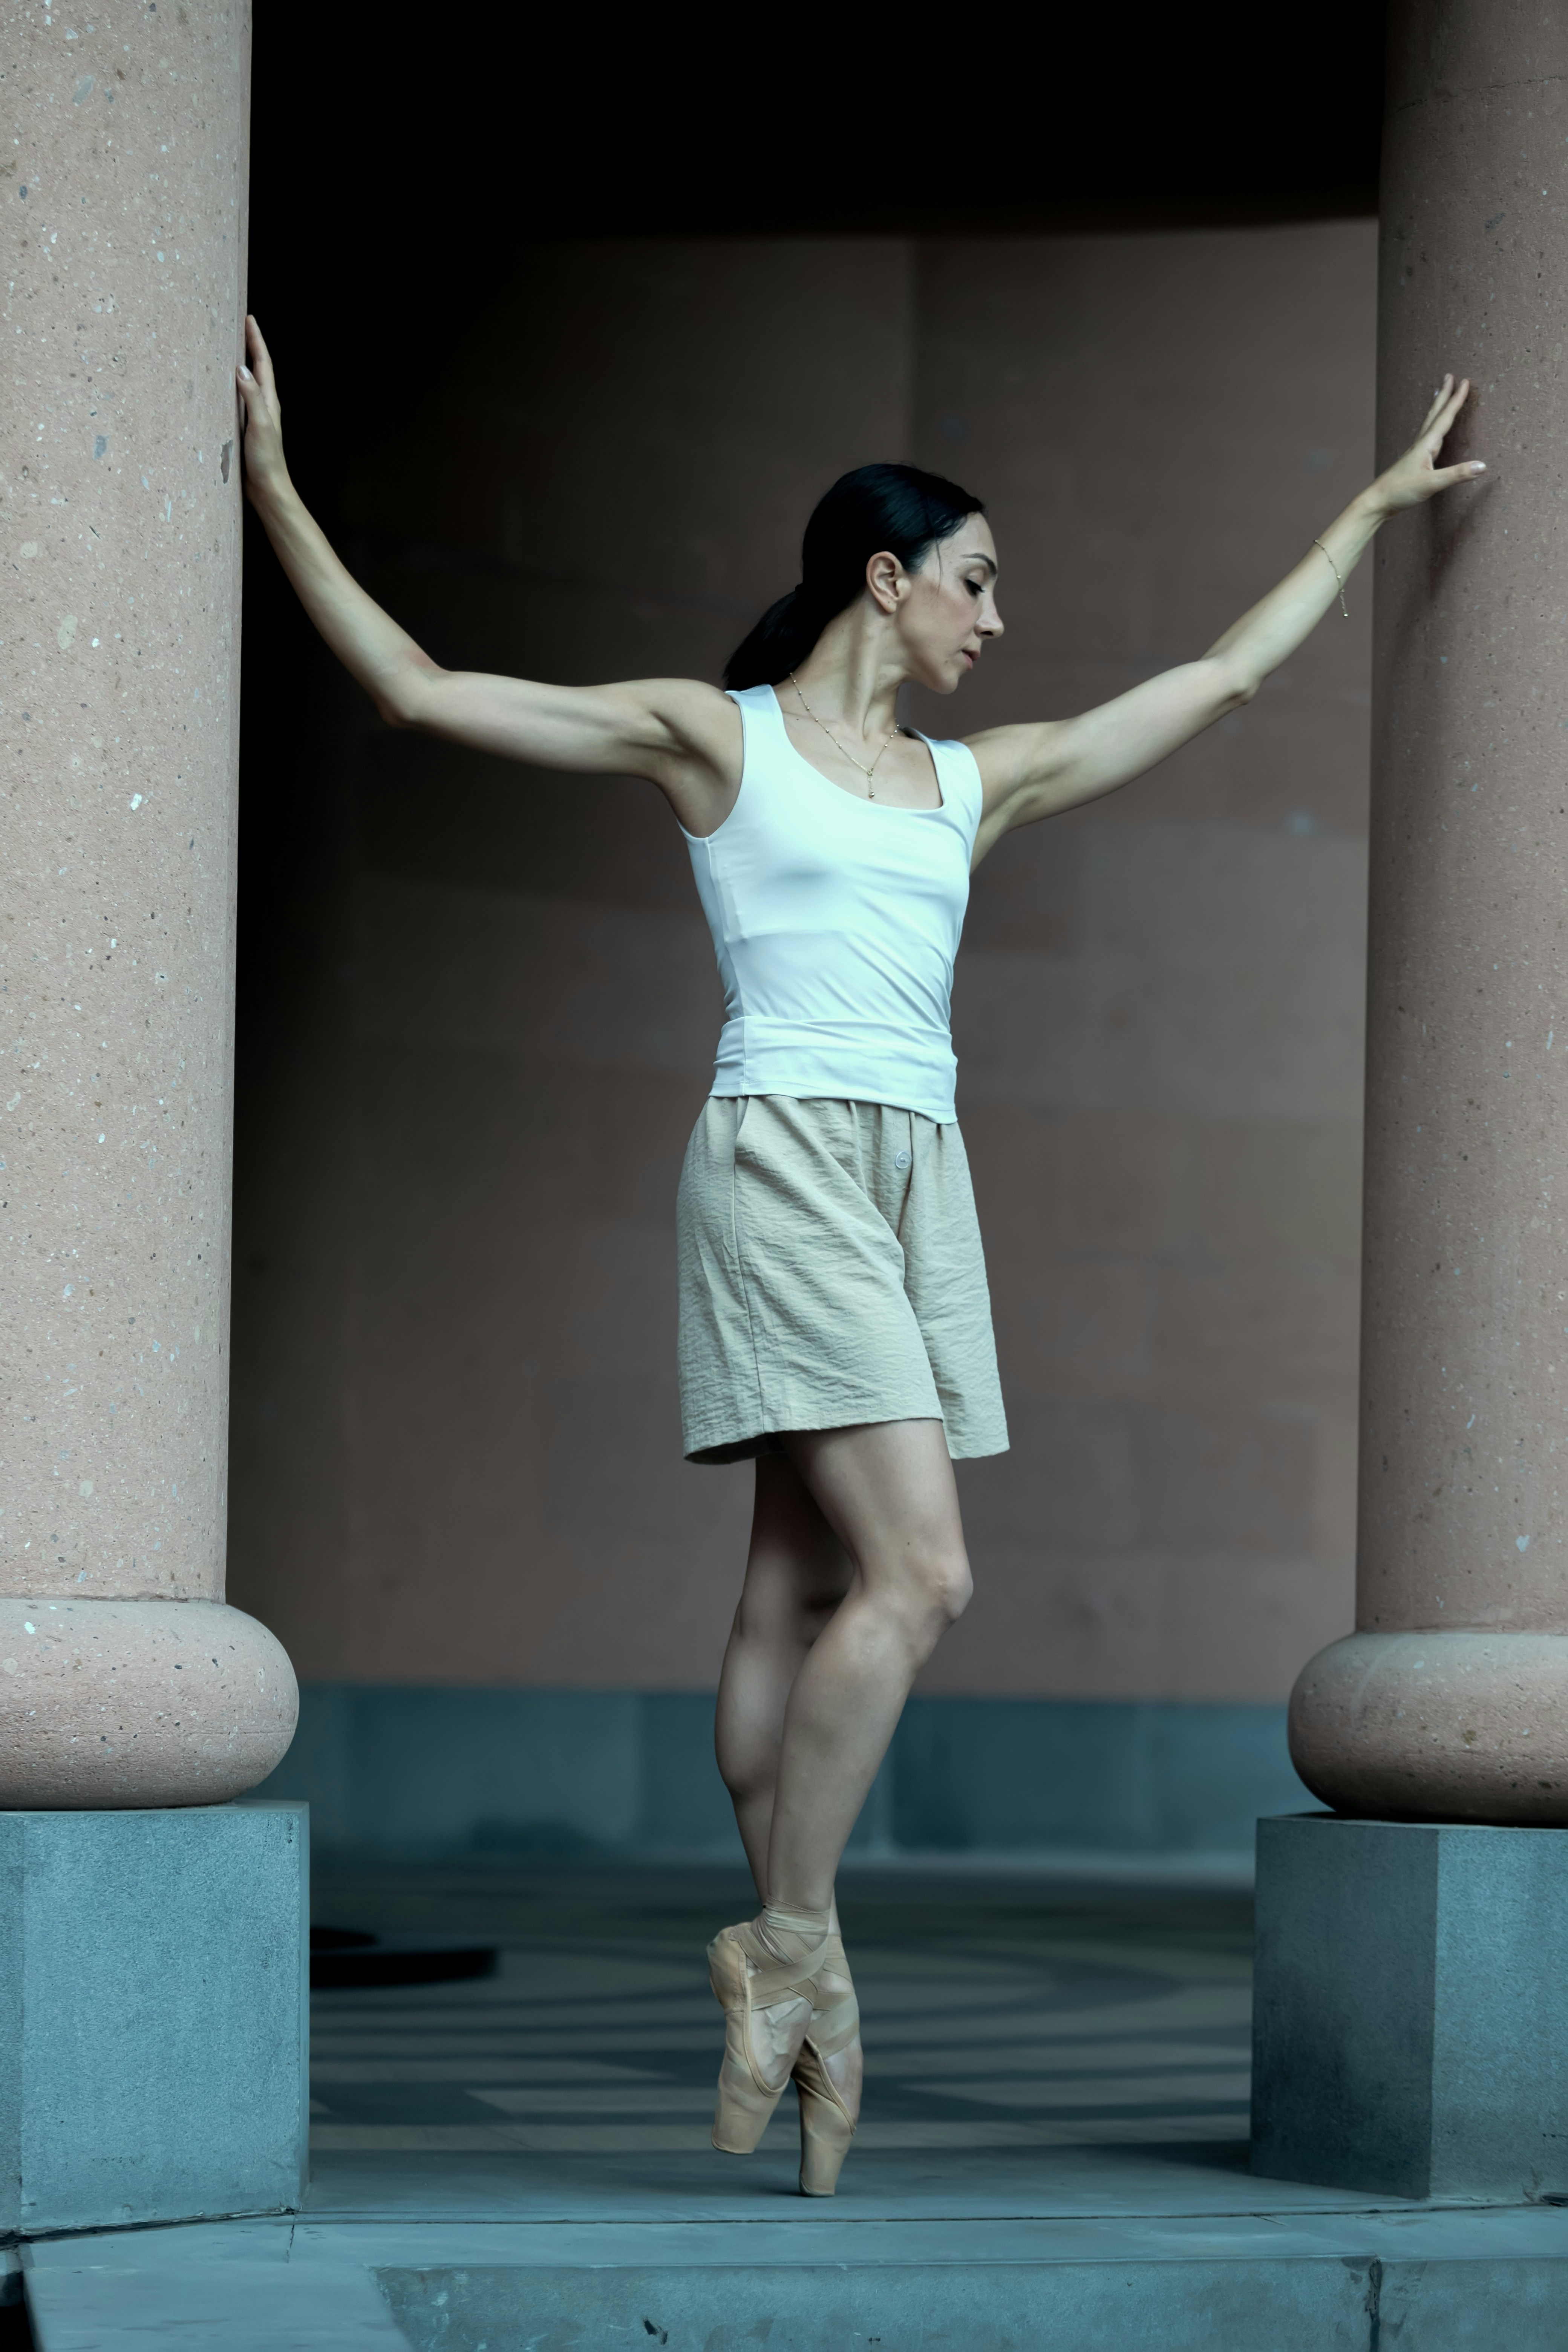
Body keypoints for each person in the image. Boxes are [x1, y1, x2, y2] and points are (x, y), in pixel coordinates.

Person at [235, 317, 1482, 2194]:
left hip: (918, 1174)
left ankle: (799, 1990)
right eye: (973, 580)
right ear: (883, 579)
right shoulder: (718, 738)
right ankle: (794, 1946)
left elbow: (1220, 679)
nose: (995, 618)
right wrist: (270, 483)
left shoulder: (977, 782)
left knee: (789, 1588)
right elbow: (419, 690)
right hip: (781, 1157)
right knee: (924, 1571)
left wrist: (1363, 515)